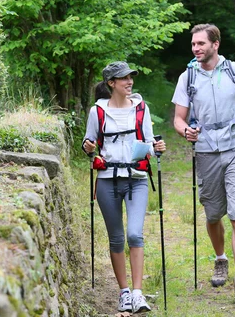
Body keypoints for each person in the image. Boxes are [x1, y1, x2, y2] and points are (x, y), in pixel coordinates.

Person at [171, 24, 235, 301]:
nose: (196, 48)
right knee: (213, 214)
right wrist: (184, 131)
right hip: (204, 151)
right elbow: (179, 118)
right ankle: (221, 259)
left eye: (201, 44)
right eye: (194, 44)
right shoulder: (188, 77)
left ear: (216, 44)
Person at [83, 61, 166, 314]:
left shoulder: (141, 108)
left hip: (136, 178)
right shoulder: (97, 111)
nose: (129, 82)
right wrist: (87, 147)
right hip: (107, 179)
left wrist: (157, 148)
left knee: (134, 234)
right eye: (124, 79)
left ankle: (139, 294)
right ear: (111, 83)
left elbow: (150, 142)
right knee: (116, 238)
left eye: (131, 78)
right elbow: (89, 142)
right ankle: (124, 293)